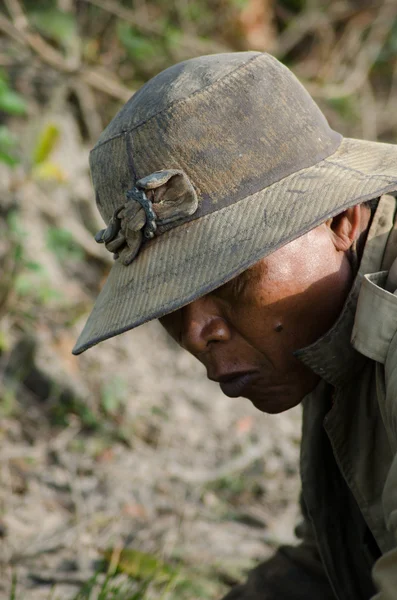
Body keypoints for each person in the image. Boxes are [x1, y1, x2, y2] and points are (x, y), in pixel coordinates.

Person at [72, 52, 397, 599]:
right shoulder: (322, 337)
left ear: (342, 220)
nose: (197, 334)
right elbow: (335, 562)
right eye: (169, 304)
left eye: (232, 279)